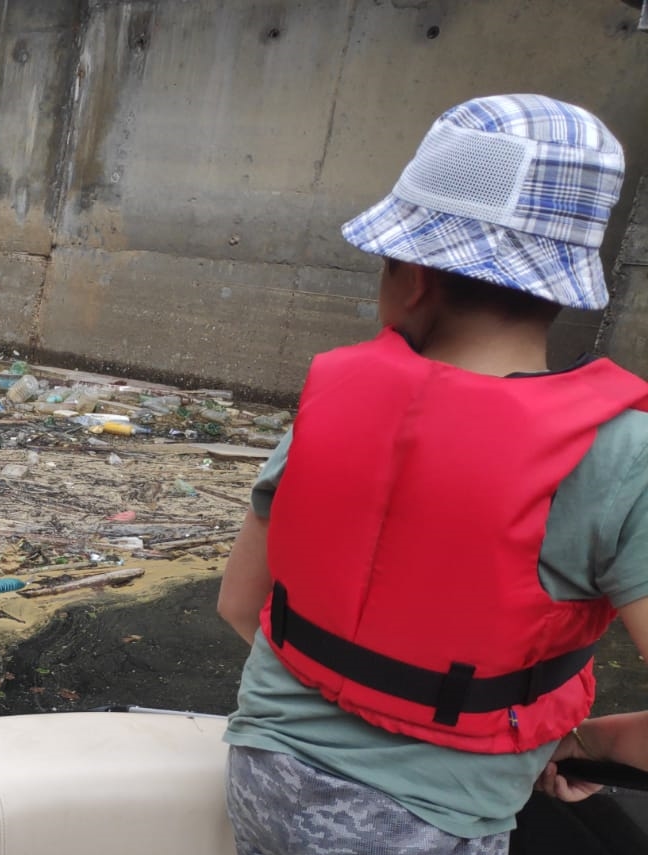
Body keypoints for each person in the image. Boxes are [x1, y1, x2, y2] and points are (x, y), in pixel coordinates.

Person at [215, 93, 648, 855]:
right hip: (436, 828)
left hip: (264, 786)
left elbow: (240, 602)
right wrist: (593, 744)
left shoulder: (335, 403)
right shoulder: (621, 457)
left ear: (412, 275)